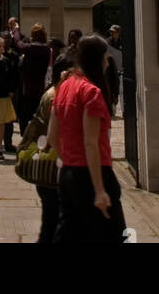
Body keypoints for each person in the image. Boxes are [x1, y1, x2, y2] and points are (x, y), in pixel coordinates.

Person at [47, 34, 126, 245]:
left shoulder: (64, 86)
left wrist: (69, 159)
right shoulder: (92, 92)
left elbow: (52, 136)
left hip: (68, 174)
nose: (108, 62)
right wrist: (99, 190)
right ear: (97, 59)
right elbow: (91, 143)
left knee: (68, 236)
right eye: (106, 57)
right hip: (94, 174)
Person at [20, 79, 62, 244]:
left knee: (51, 223)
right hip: (51, 166)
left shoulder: (51, 93)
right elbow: (54, 134)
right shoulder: (55, 96)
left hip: (49, 165)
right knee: (52, 223)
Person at [17, 24, 52, 133]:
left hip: (26, 87)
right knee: (37, 113)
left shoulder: (28, 48)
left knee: (24, 113)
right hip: (40, 87)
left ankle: (24, 133)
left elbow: (18, 43)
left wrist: (15, 30)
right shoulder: (47, 50)